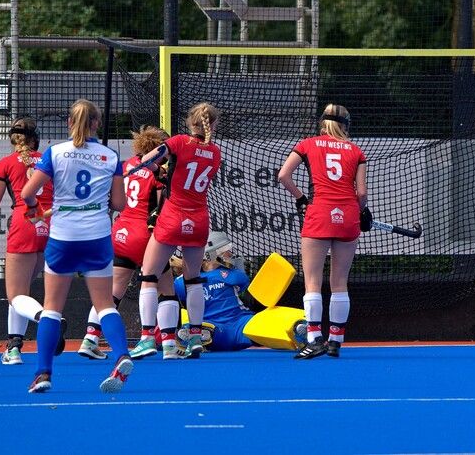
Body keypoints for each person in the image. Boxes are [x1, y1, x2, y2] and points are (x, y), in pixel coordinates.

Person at [21, 99, 133, 393]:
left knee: (52, 308)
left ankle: (43, 373)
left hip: (63, 238)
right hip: (96, 237)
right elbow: (120, 204)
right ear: (97, 124)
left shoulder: (55, 153)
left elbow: (28, 192)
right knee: (105, 304)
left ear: (69, 123)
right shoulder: (110, 156)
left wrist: (34, 207)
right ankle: (122, 354)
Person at [0, 117, 67, 365]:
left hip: (25, 224)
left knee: (15, 296)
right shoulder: (49, 159)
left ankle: (46, 318)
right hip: (51, 224)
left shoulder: (7, 163)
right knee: (22, 294)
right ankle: (13, 347)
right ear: (35, 138)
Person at [277, 103, 369, 359]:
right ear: (346, 125)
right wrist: (363, 211)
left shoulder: (307, 144)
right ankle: (336, 341)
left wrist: (301, 199)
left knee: (312, 281)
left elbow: (284, 175)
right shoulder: (356, 151)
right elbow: (361, 193)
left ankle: (314, 338)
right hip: (348, 215)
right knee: (340, 281)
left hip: (319, 213)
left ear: (322, 123)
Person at [77, 126, 173, 360]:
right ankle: (165, 343)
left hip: (120, 233)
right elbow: (159, 210)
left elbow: (115, 199)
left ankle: (90, 338)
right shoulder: (157, 173)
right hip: (143, 235)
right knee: (166, 288)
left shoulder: (126, 166)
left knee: (111, 294)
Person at [137, 102, 221, 360]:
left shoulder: (179, 142)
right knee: (193, 278)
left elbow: (147, 160)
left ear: (189, 122)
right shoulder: (215, 152)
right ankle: (195, 337)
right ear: (213, 124)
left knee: (149, 275)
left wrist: (156, 171)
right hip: (199, 219)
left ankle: (147, 338)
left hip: (173, 215)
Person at [171, 232, 307, 355]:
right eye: (225, 250)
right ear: (210, 254)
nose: (230, 254)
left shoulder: (183, 282)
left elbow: (174, 295)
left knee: (211, 331)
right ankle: (295, 329)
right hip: (239, 323)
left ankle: (196, 334)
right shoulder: (233, 275)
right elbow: (242, 283)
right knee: (262, 327)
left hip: (235, 324)